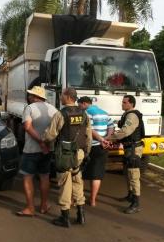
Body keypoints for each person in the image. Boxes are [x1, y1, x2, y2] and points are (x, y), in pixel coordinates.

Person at [42, 88, 92, 228]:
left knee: (65, 183)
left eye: (62, 95)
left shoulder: (61, 114)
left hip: (64, 154)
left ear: (68, 97)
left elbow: (50, 135)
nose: (60, 97)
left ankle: (65, 217)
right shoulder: (84, 114)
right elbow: (88, 135)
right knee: (77, 181)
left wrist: (42, 140)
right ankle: (81, 215)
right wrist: (87, 152)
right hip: (80, 153)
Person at [16, 86, 58, 217]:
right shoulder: (53, 109)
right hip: (48, 149)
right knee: (44, 176)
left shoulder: (29, 108)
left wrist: (40, 142)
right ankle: (44, 205)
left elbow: (27, 127)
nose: (28, 97)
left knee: (28, 177)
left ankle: (30, 208)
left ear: (34, 96)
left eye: (30, 95)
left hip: (31, 150)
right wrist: (47, 144)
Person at [106, 95, 145, 214]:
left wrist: (110, 138)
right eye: (122, 102)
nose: (122, 104)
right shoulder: (127, 114)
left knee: (134, 176)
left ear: (131, 104)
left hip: (134, 149)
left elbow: (125, 132)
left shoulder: (132, 116)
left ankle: (136, 204)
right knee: (127, 173)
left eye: (124, 102)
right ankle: (130, 196)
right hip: (129, 148)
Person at [77, 96, 114, 207]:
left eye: (79, 104)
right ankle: (93, 200)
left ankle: (79, 198)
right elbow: (111, 126)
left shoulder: (87, 113)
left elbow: (89, 129)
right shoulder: (104, 112)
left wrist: (100, 139)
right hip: (103, 147)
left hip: (90, 147)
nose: (79, 107)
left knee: (81, 173)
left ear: (84, 103)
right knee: (96, 175)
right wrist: (106, 138)